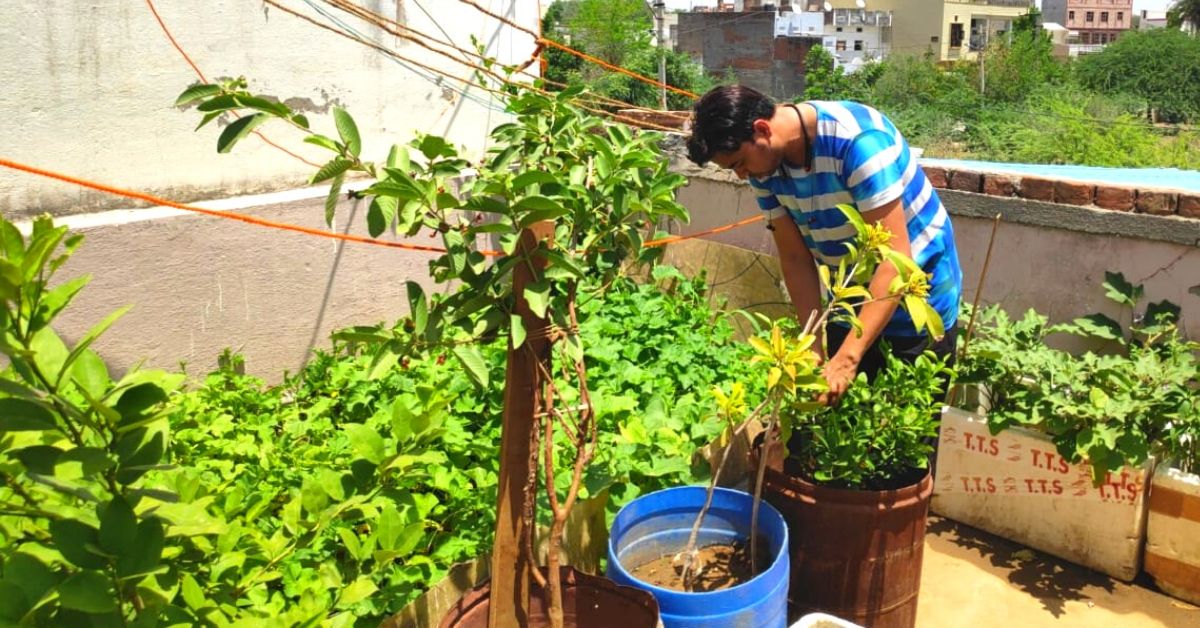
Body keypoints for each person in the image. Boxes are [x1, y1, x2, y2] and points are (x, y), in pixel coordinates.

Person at [685, 85, 962, 406]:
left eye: (738, 163)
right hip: (849, 302)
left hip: (918, 302)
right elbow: (794, 257)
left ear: (761, 129)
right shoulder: (766, 167)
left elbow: (896, 259)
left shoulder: (858, 143)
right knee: (839, 425)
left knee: (907, 442)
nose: (743, 176)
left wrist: (846, 359)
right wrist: (812, 346)